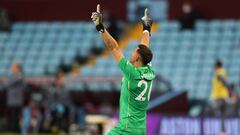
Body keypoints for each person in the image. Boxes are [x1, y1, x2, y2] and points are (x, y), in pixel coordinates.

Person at [91, 4, 155, 135]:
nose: (131, 53)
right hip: (140, 129)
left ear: (137, 57)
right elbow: (144, 46)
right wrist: (146, 28)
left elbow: (113, 47)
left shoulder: (131, 72)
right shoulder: (149, 70)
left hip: (126, 128)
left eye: (134, 52)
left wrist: (100, 26)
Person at [0, 63, 26, 132]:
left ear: (17, 68)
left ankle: (15, 131)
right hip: (11, 100)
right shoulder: (14, 76)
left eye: (13, 67)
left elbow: (7, 83)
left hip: (16, 101)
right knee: (12, 117)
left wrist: (3, 81)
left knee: (15, 118)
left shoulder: (19, 75)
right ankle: (14, 130)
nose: (12, 69)